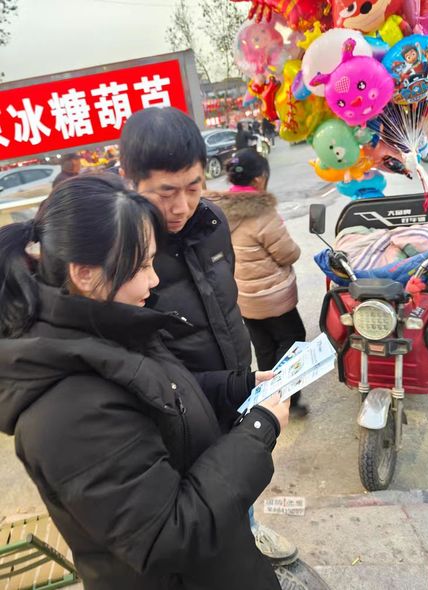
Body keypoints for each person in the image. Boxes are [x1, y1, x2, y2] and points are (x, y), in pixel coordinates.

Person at [0, 174, 291, 590]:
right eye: (140, 267)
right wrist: (260, 429)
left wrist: (241, 386)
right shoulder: (67, 410)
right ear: (85, 274)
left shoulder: (106, 324)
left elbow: (164, 393)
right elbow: (168, 537)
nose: (153, 281)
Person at [119, 106, 298, 564]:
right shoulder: (123, 254)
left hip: (234, 380)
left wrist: (245, 375)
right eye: (165, 192)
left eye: (193, 187)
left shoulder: (214, 222)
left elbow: (225, 301)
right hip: (181, 402)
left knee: (243, 467)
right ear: (128, 180)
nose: (181, 206)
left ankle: (250, 530)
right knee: (206, 491)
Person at [209, 148, 308, 416]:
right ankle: (287, 399)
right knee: (293, 340)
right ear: (259, 178)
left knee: (264, 347)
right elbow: (287, 253)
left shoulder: (218, 210)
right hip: (272, 297)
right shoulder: (262, 212)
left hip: (242, 296)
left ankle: (268, 399)